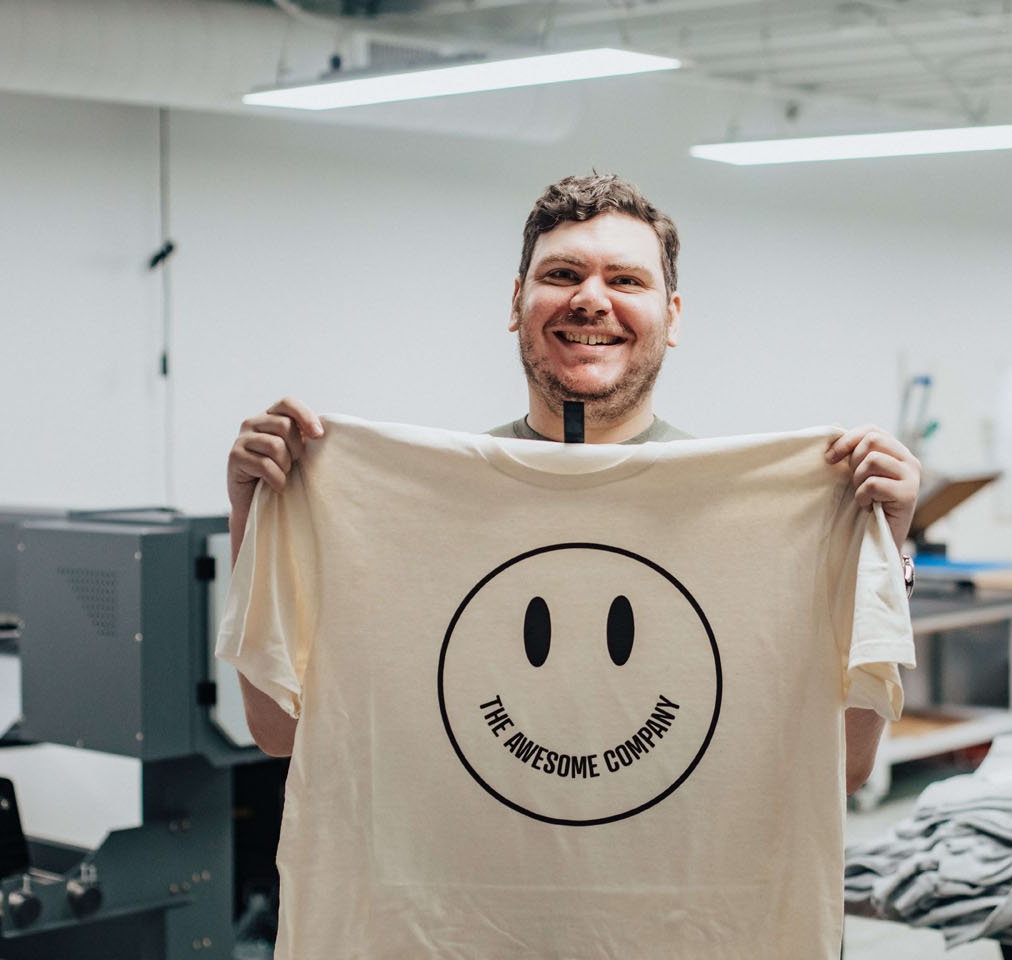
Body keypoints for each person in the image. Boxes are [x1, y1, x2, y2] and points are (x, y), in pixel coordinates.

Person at [225, 173, 921, 790]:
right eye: (562, 275)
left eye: (625, 279)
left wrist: (885, 551)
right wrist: (251, 516)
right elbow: (281, 733)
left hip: (672, 926)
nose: (591, 300)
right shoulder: (419, 505)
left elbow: (844, 764)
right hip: (479, 927)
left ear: (671, 316)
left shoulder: (751, 520)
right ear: (516, 302)